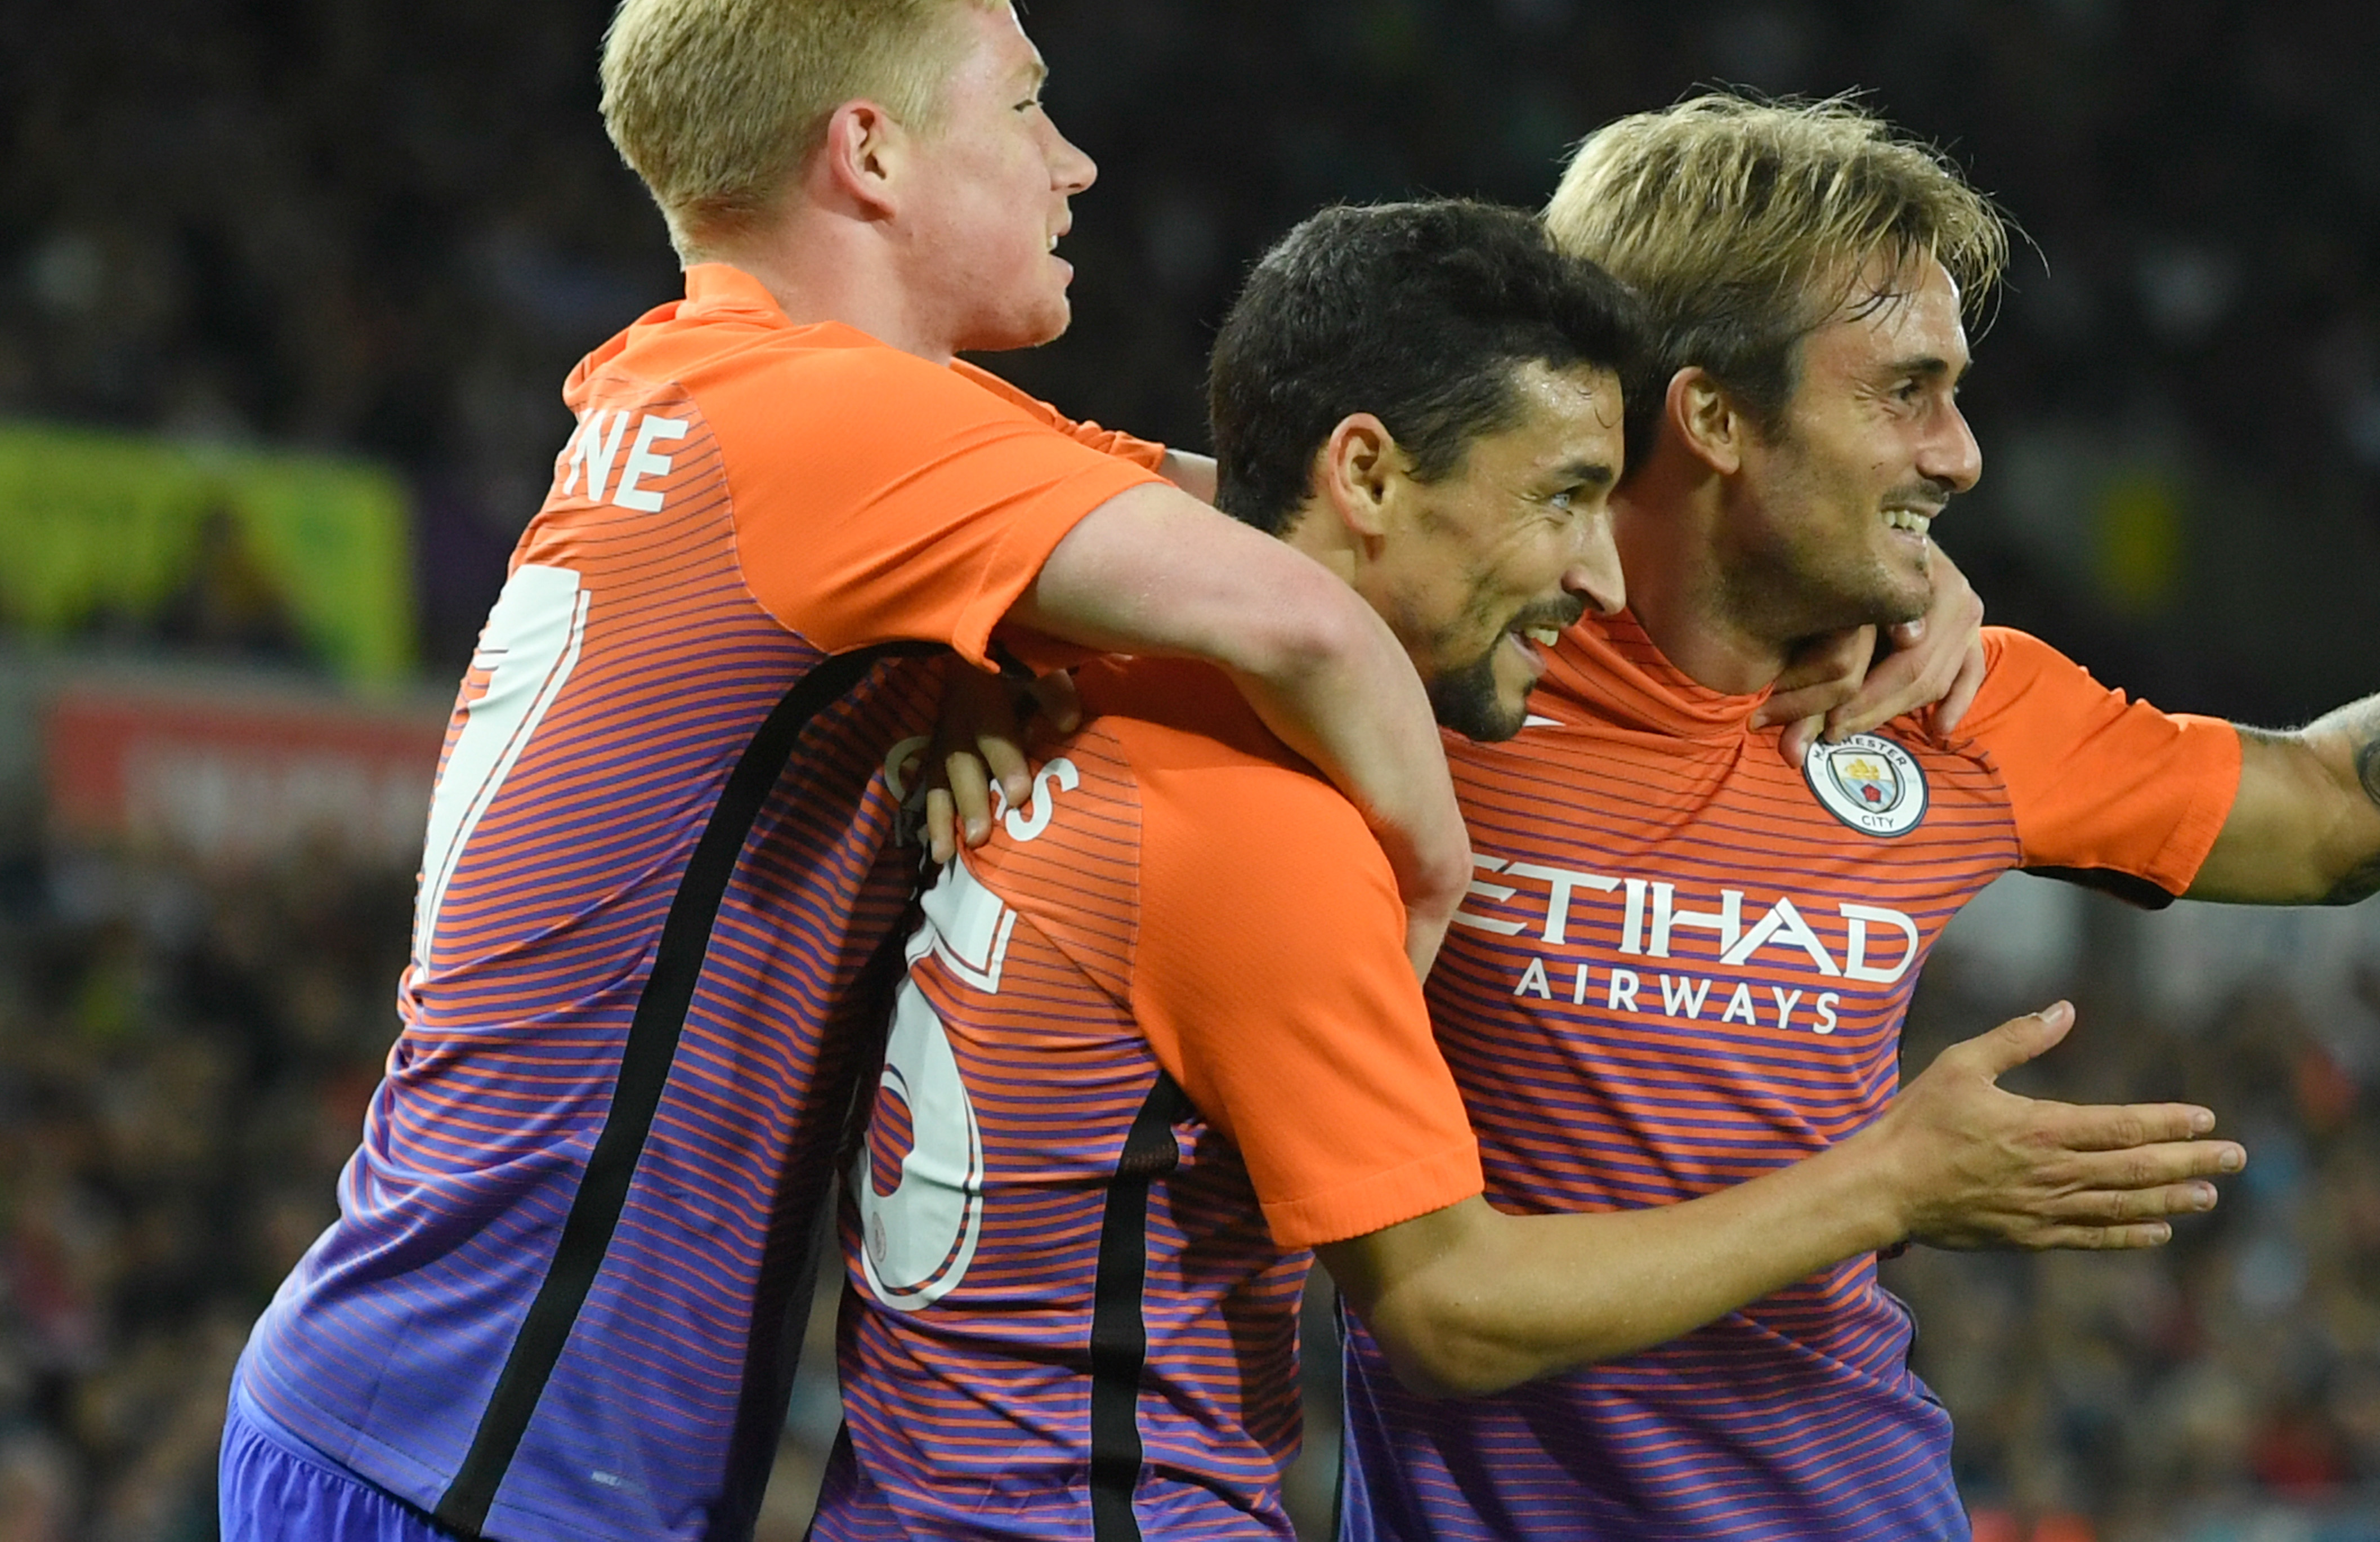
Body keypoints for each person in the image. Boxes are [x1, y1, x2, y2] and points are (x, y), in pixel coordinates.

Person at [1336, 93, 2380, 1542]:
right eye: (1906, 392)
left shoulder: (1962, 701)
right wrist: (1892, 1180)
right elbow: (1150, 505)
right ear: (1709, 417)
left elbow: (2335, 809)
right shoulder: (1404, 668)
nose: (1960, 454)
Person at [220, 0, 1468, 1542]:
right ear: (870, 150)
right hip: (478, 1457)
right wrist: (1429, 881)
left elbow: (1334, 522)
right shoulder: (838, 431)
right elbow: (1326, 610)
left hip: (423, 1408)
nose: (1075, 161)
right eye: (1024, 105)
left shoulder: (707, 382)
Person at [823, 200, 2244, 1541]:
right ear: (1368, 472)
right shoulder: (1267, 832)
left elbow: (1051, 464)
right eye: (1566, 497)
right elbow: (1448, 1306)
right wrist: (1888, 1180)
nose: (1602, 575)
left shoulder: (1117, 686)